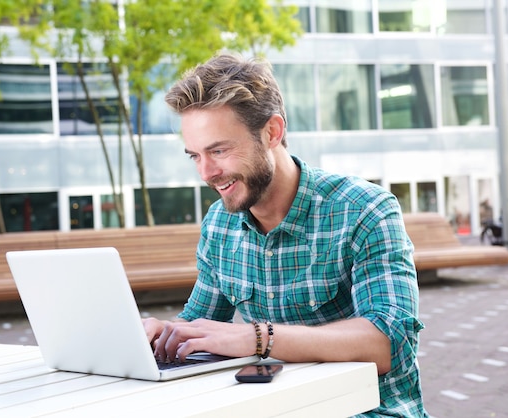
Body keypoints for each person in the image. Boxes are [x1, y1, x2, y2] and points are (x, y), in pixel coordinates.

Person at [143, 53, 428, 416]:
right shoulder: (219, 224)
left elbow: (391, 343)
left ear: (272, 132)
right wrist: (160, 334)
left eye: (219, 150)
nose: (206, 173)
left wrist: (258, 337)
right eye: (195, 156)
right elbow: (198, 323)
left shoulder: (364, 210)